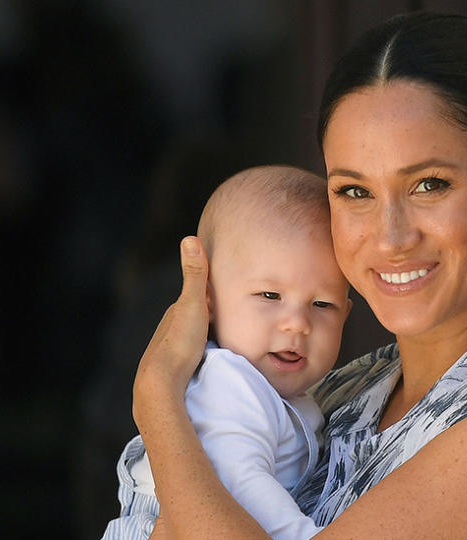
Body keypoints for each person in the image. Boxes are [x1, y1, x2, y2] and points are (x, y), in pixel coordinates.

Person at [130, 12, 467, 540]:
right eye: (354, 192)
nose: (390, 238)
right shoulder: (350, 388)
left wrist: (158, 399)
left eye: (429, 185)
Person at [103, 165, 351, 539]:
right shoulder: (229, 384)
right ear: (209, 299)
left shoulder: (284, 394)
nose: (297, 323)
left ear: (346, 314)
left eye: (322, 304)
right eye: (270, 296)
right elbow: (240, 483)